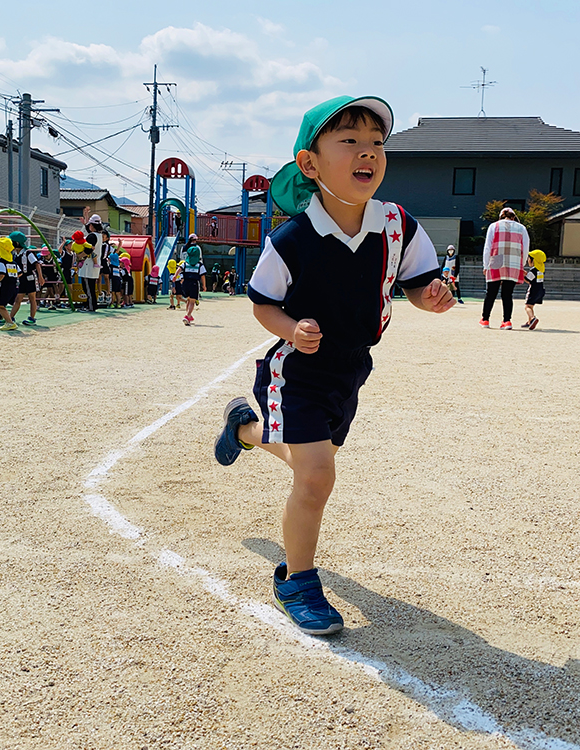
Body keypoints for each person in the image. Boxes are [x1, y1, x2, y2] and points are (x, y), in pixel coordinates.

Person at [213, 96, 454, 636]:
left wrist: (430, 298)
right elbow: (263, 303)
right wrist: (290, 330)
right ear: (310, 163)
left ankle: (245, 430)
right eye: (349, 140)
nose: (367, 152)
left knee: (309, 465)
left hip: (351, 368)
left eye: (376, 142)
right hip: (295, 369)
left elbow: (415, 284)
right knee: (318, 475)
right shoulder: (292, 238)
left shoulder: (398, 226)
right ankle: (296, 579)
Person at [481, 207, 529, 330]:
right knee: (507, 294)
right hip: (514, 262)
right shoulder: (521, 228)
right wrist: (521, 265)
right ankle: (507, 321)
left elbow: (488, 247)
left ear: (501, 216)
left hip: (496, 260)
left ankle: (485, 319)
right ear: (513, 216)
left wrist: (486, 265)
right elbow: (526, 248)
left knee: (491, 293)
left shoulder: (494, 226)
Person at [9, 231, 44, 325]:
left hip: (30, 278)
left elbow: (36, 264)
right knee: (18, 298)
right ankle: (10, 318)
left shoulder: (27, 253)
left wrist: (40, 277)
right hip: (21, 278)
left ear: (16, 243)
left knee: (32, 297)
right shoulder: (15, 254)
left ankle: (32, 318)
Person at [0, 237, 19, 330]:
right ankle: (9, 321)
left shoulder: (0, 262)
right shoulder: (13, 262)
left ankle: (10, 322)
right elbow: (20, 273)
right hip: (13, 286)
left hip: (4, 286)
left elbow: (1, 275)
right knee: (2, 305)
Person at [74, 230, 99, 312]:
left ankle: (91, 306)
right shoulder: (82, 243)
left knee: (88, 287)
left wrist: (80, 255)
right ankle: (90, 305)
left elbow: (90, 248)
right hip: (84, 261)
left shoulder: (82, 243)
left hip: (86, 261)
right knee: (88, 287)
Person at [521, 249, 546, 330]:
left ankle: (532, 318)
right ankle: (529, 322)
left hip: (533, 290)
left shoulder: (533, 270)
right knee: (531, 306)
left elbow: (528, 280)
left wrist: (522, 275)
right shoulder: (541, 270)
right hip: (540, 290)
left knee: (527, 306)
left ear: (533, 260)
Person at [182, 234, 203, 325]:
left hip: (185, 272)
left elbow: (182, 258)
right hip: (194, 275)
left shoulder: (184, 247)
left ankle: (189, 315)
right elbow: (200, 259)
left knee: (189, 299)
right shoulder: (198, 248)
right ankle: (188, 315)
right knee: (192, 300)